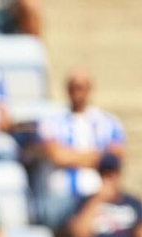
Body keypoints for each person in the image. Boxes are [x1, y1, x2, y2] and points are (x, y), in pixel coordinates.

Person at [38, 69, 126, 225]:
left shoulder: (110, 122)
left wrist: (70, 156)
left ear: (90, 89)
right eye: (74, 86)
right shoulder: (51, 121)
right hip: (60, 194)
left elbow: (114, 158)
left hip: (95, 194)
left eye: (82, 86)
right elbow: (57, 156)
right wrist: (96, 157)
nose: (77, 91)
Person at [68, 152, 142, 237]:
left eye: (112, 174)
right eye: (104, 174)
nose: (109, 179)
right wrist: (97, 200)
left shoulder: (134, 204)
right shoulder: (85, 202)